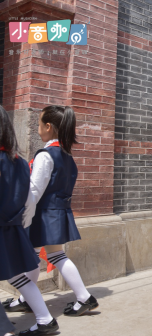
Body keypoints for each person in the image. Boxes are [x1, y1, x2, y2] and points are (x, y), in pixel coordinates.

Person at [4, 106, 99, 317]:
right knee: (44, 255)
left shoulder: (46, 155)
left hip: (42, 214)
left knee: (45, 256)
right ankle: (28, 299)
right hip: (56, 212)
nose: (38, 129)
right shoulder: (66, 155)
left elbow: (34, 191)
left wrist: (24, 217)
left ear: (48, 126)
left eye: (38, 124)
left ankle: (84, 298)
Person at [0, 106, 59, 335]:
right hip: (13, 228)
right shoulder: (21, 162)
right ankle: (45, 319)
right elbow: (26, 197)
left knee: (19, 277)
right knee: (19, 277)